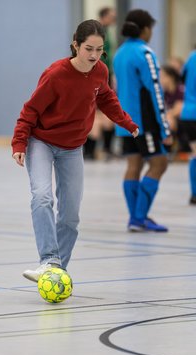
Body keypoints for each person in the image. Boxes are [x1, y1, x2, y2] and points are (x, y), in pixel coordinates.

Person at [11, 19, 139, 282]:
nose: (94, 56)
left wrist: (126, 122)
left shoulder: (100, 71)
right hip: (42, 142)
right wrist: (19, 143)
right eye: (88, 49)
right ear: (75, 45)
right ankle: (49, 259)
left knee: (70, 216)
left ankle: (56, 272)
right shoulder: (56, 74)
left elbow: (106, 98)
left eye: (99, 50)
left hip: (73, 147)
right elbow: (30, 110)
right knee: (42, 196)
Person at [113, 9, 172, 232]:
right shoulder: (145, 53)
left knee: (133, 165)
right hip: (144, 122)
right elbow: (156, 91)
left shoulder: (119, 53)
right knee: (159, 163)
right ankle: (138, 218)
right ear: (146, 29)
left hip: (123, 120)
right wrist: (165, 128)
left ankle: (137, 218)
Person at [84, 7, 117, 160]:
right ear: (104, 16)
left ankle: (106, 149)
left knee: (107, 113)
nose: (114, 18)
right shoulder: (96, 34)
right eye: (111, 16)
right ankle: (89, 150)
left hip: (106, 74)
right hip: (97, 73)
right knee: (93, 113)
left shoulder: (107, 33)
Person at [179, 50, 196, 204]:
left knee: (194, 154)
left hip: (189, 113)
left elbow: (182, 79)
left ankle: (194, 193)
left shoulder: (191, 57)